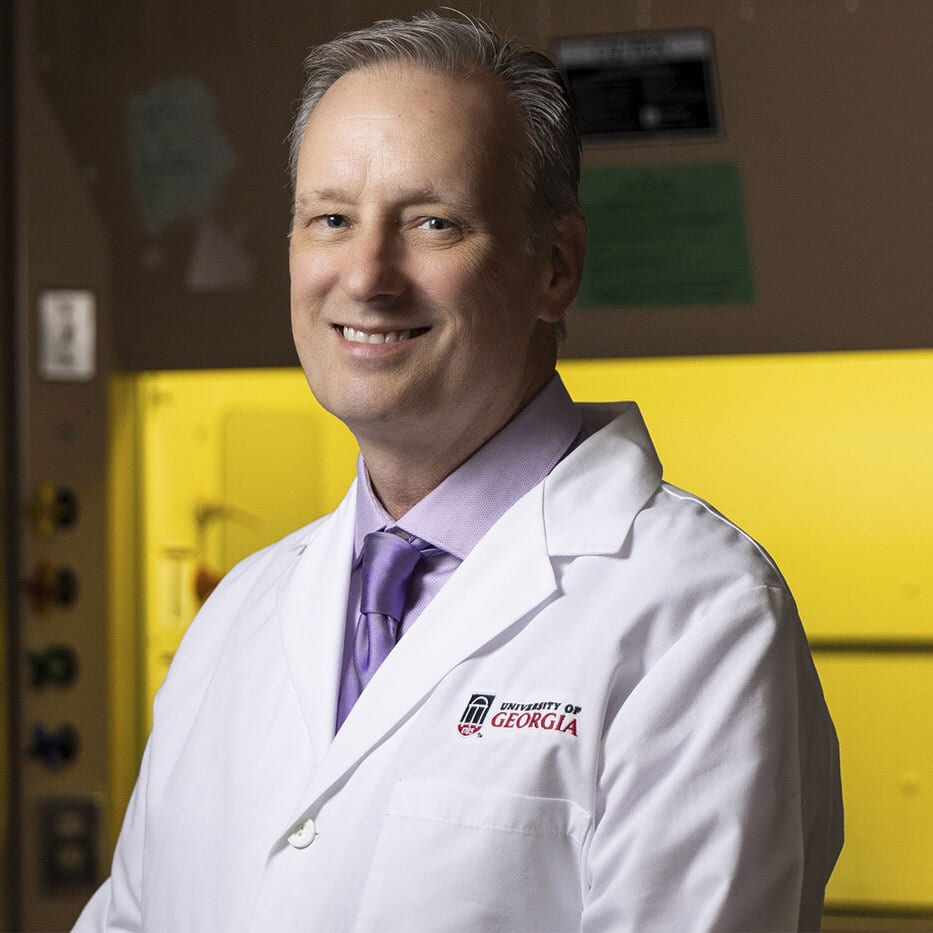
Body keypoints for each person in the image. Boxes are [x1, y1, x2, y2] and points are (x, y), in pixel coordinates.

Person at [75, 11, 842, 932]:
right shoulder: (240, 611)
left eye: (431, 223)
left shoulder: (695, 616)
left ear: (553, 268)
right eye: (330, 219)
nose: (366, 274)